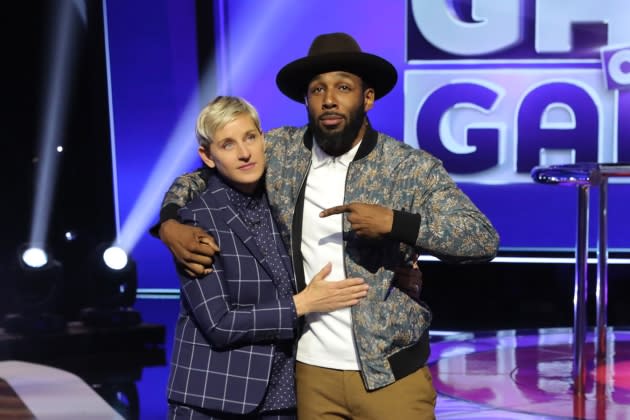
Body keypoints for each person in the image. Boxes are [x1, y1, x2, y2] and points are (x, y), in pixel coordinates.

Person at [159, 33, 499, 420]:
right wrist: (170, 223)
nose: (329, 98)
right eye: (317, 89)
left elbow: (481, 238)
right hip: (310, 374)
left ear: (367, 97)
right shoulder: (284, 152)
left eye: (343, 87)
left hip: (389, 374)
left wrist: (396, 223)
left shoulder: (408, 167)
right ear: (306, 100)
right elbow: (200, 177)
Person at [166, 95, 370, 420]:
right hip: (217, 400)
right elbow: (219, 324)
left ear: (264, 139)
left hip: (286, 397)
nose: (245, 153)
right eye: (227, 144)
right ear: (207, 155)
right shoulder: (197, 220)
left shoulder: (283, 202)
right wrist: (301, 304)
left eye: (249, 137)